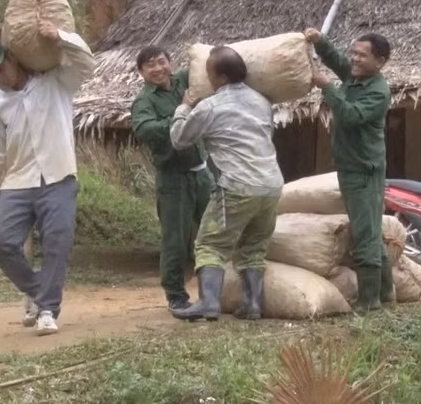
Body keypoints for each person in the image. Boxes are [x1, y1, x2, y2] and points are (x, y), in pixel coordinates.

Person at [0, 19, 94, 335]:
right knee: (0, 242)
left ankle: (47, 310)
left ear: (13, 59)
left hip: (59, 176)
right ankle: (40, 290)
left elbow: (86, 63)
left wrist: (62, 37)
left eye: (0, 70)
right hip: (18, 180)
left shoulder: (55, 80)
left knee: (58, 241)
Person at [168, 46, 284, 322]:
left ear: (218, 77)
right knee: (254, 246)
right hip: (271, 185)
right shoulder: (262, 101)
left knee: (210, 244)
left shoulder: (210, 106)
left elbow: (180, 139)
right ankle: (253, 305)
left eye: (208, 72)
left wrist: (184, 107)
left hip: (237, 185)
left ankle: (208, 304)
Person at [304, 27, 393, 315]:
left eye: (362, 55)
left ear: (380, 61)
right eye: (354, 52)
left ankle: (369, 300)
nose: (354, 59)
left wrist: (327, 87)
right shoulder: (355, 76)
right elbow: (338, 60)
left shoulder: (378, 91)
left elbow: (351, 116)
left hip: (364, 170)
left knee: (364, 233)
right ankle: (386, 290)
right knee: (369, 229)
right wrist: (319, 41)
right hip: (352, 167)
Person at [130, 46, 214, 311]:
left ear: (169, 62)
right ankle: (176, 295)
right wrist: (180, 114)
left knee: (214, 232)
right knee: (175, 240)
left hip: (201, 172)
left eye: (161, 62)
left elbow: (205, 65)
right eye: (150, 65)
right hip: (173, 178)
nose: (158, 69)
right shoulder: (145, 101)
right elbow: (144, 129)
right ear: (142, 72)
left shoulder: (182, 80)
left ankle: (216, 290)